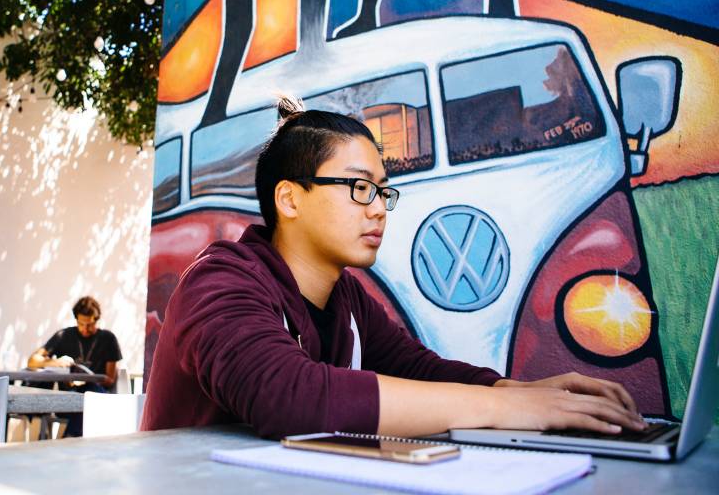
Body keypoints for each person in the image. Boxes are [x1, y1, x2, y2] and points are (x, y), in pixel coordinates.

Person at [142, 98, 648, 439]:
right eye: (360, 187)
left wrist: (520, 391)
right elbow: (288, 397)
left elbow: (418, 369)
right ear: (290, 198)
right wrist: (505, 411)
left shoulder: (347, 298)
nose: (380, 207)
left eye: (383, 191)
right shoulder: (220, 282)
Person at [27, 296, 123, 436]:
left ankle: (69, 438)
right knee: (73, 398)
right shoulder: (64, 335)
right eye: (81, 323)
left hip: (97, 397)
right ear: (76, 319)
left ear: (96, 320)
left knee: (88, 394)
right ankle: (69, 440)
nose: (84, 329)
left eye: (89, 325)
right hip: (68, 398)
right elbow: (32, 361)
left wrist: (87, 379)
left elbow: (110, 379)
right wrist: (54, 362)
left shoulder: (108, 338)